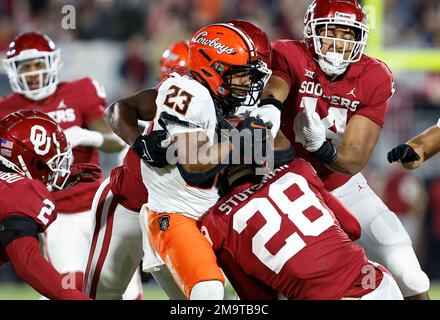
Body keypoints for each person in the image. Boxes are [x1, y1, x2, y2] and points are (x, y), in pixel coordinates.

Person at [258, 0, 429, 299]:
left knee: (407, 269)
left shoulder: (373, 75)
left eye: (347, 34)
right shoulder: (289, 53)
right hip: (287, 191)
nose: (339, 42)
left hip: (340, 184)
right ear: (312, 33)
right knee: (288, 286)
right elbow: (277, 84)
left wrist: (320, 147)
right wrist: (271, 107)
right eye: (331, 31)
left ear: (359, 37)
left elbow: (352, 161)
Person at [0, 31, 133, 297]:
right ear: (13, 70)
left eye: (39, 64)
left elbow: (117, 139)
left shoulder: (80, 90)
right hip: (55, 215)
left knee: (121, 291)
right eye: (26, 67)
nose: (34, 72)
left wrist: (88, 136)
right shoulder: (6, 110)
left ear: (53, 63)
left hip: (98, 206)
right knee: (70, 285)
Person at [200, 159, 403, 300]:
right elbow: (352, 228)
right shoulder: (297, 169)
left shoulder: (215, 221)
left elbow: (256, 297)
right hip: (373, 285)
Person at [84, 40, 191, 300]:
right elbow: (119, 109)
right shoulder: (176, 94)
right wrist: (141, 143)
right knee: (102, 293)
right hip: (130, 202)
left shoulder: (232, 105)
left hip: (177, 215)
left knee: (194, 296)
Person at [0, 109, 100, 300]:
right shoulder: (20, 191)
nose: (56, 170)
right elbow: (27, 262)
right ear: (27, 159)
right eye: (52, 162)